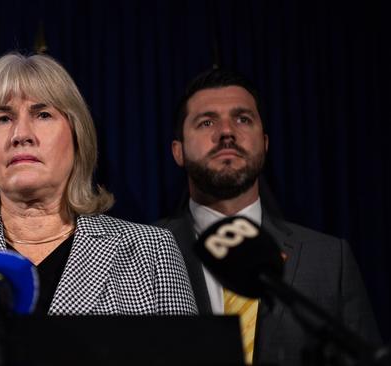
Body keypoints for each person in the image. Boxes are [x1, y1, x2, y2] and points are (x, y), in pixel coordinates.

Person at [0, 52, 198, 316]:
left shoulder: (150, 253)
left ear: (78, 139)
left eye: (43, 114)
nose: (22, 134)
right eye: (3, 118)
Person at [155, 68, 382, 365]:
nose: (226, 132)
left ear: (264, 143)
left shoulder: (329, 259)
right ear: (178, 151)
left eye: (242, 119)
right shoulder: (140, 252)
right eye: (207, 121)